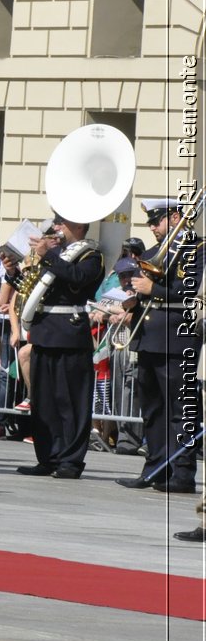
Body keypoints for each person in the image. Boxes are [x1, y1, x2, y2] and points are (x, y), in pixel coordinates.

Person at [116, 197, 201, 494]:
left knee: (181, 410)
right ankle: (155, 468)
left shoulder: (197, 250)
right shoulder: (153, 253)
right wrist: (132, 302)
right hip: (149, 339)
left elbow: (193, 295)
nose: (152, 227)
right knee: (152, 409)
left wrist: (155, 290)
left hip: (178, 339)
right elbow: (144, 293)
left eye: (157, 220)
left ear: (176, 217)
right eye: (150, 222)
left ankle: (182, 473)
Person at [17, 212, 104, 479]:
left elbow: (78, 279)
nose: (55, 227)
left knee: (71, 402)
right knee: (44, 401)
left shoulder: (91, 256)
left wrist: (50, 256)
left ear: (78, 225)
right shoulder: (57, 253)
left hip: (69, 332)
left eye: (61, 223)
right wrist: (13, 272)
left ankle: (70, 460)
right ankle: (48, 456)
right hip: (45, 332)